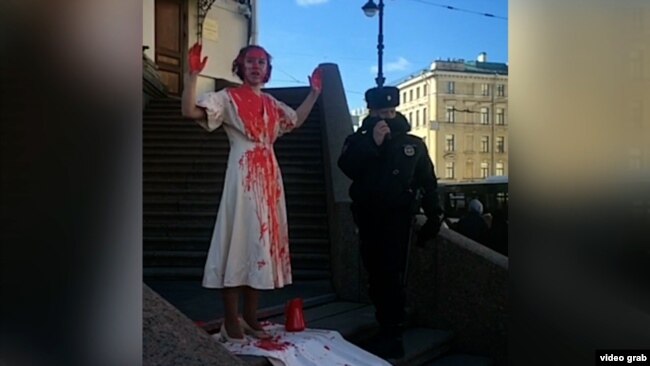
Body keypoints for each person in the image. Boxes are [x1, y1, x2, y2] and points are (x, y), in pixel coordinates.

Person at [181, 43, 322, 343]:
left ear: (267, 69)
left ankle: (250, 316)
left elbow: (294, 121)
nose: (256, 66)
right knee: (238, 243)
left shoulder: (272, 103)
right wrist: (192, 76)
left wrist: (314, 94)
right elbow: (190, 111)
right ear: (240, 66)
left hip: (269, 178)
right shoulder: (228, 98)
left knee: (259, 245)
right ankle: (232, 319)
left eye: (261, 62)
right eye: (250, 61)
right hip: (243, 176)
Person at [337, 86, 442, 359]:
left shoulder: (413, 143)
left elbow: (427, 181)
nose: (387, 116)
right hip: (370, 215)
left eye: (391, 111)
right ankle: (386, 325)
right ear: (371, 111)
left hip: (398, 217)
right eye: (381, 112)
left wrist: (434, 215)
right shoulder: (358, 140)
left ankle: (393, 333)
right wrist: (372, 143)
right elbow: (347, 167)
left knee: (393, 275)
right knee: (376, 274)